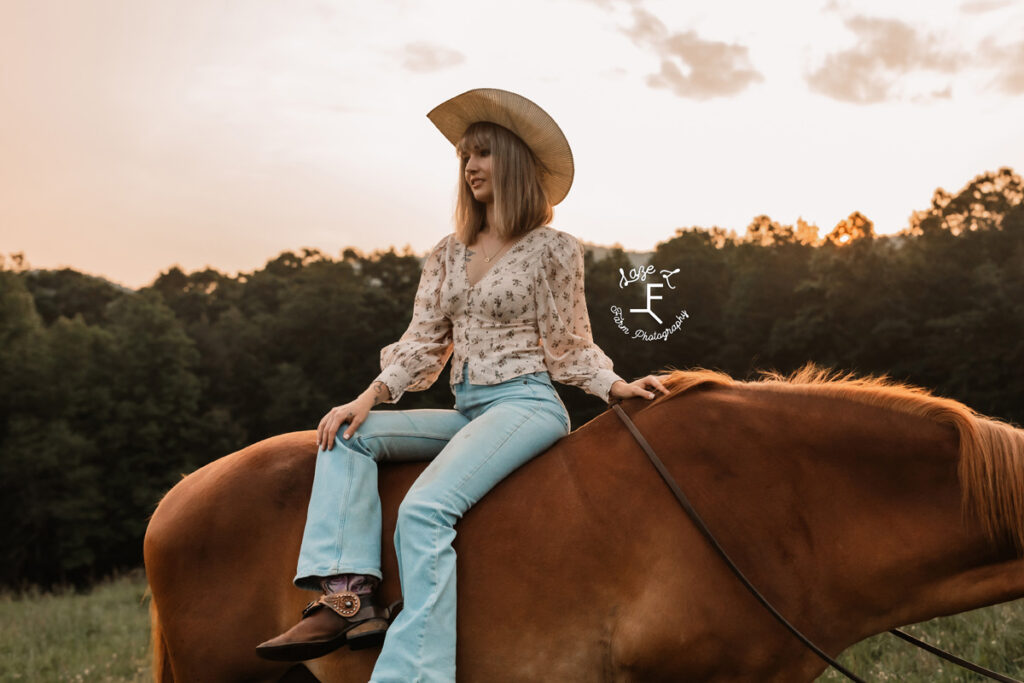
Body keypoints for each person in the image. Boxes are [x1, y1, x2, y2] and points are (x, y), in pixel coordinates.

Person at [256, 87, 669, 681]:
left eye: (482, 154)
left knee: (423, 511)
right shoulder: (447, 254)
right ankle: (347, 597)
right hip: (469, 412)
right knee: (346, 437)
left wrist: (614, 385)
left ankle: (414, 675)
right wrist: (365, 398)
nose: (470, 167)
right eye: (464, 158)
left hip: (526, 405)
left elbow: (569, 342)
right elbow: (423, 343)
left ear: (516, 164)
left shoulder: (554, 249)